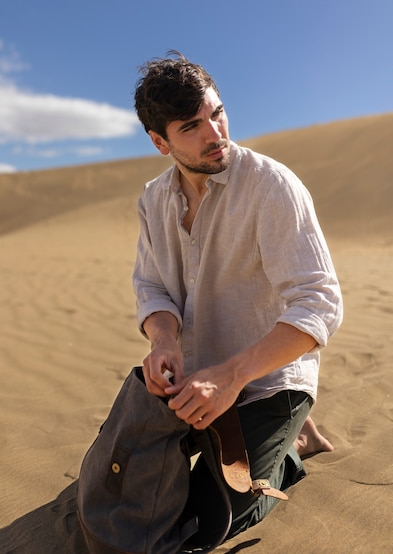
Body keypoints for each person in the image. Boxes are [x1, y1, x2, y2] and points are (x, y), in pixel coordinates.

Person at [132, 52, 343, 538]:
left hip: (267, 377)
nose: (216, 133)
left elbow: (319, 303)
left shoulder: (271, 186)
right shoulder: (152, 199)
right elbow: (152, 286)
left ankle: (289, 445)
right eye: (192, 126)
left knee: (204, 524)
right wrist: (163, 342)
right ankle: (287, 431)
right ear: (160, 142)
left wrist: (231, 375)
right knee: (125, 485)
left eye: (218, 113)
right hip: (191, 376)